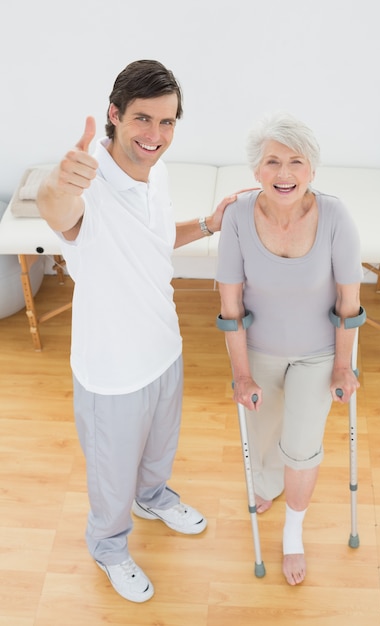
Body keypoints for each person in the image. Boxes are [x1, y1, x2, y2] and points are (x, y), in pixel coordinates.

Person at [37, 59, 237, 603]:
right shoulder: (89, 182)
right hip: (112, 370)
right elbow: (60, 213)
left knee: (156, 454)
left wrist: (208, 225)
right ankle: (108, 546)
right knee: (111, 474)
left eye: (167, 122)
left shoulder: (156, 169)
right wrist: (58, 185)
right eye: (143, 120)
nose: (155, 135)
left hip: (163, 347)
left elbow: (151, 241)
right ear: (114, 116)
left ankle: (152, 497)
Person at [215, 112, 364, 586]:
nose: (284, 173)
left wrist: (342, 368)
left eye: (296, 162)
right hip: (259, 349)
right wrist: (241, 375)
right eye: (272, 162)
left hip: (318, 353)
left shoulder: (336, 216)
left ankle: (293, 533)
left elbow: (349, 303)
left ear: (312, 171)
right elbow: (231, 305)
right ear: (256, 171)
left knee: (301, 445)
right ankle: (266, 484)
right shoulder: (238, 217)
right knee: (263, 437)